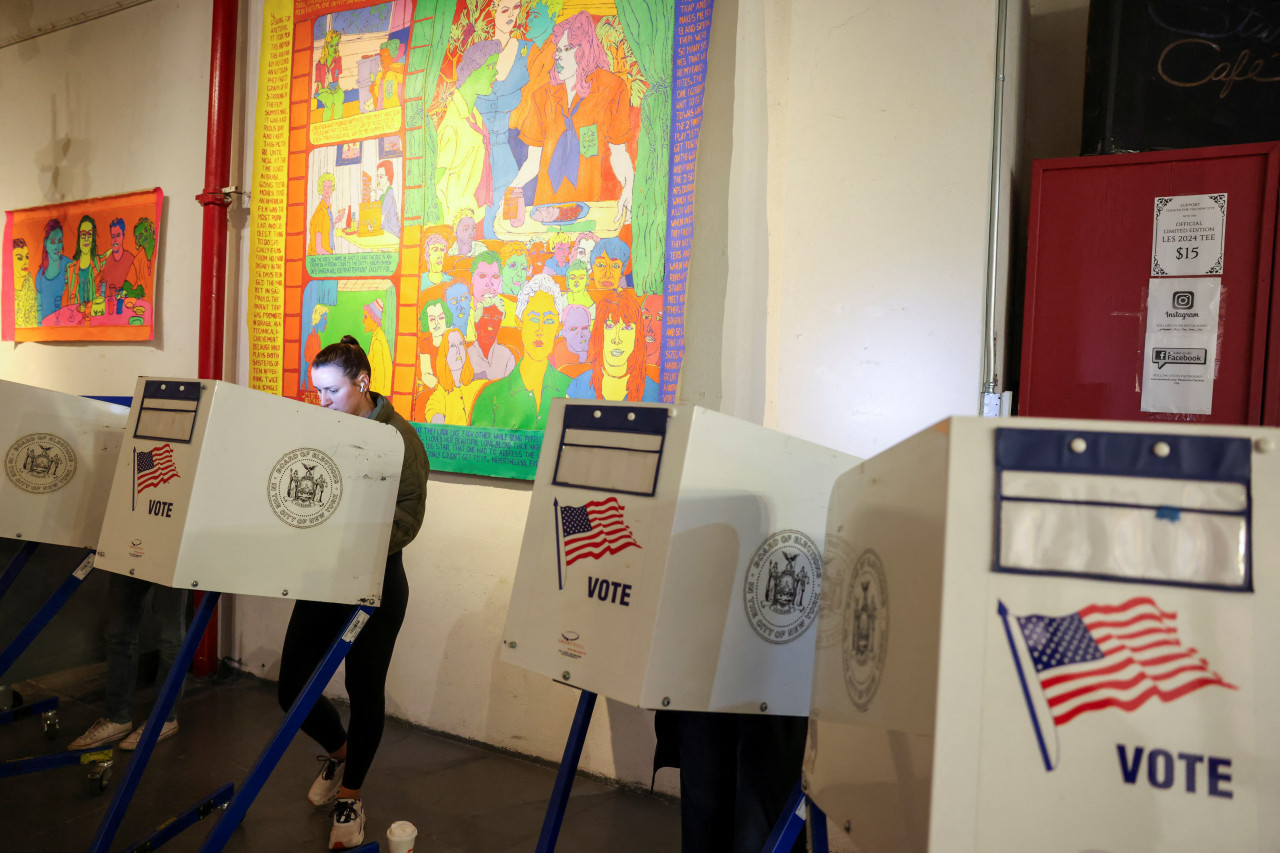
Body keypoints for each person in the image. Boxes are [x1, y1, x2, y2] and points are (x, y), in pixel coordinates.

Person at [281, 336, 429, 850]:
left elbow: (408, 517)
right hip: (324, 576)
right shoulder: (325, 427)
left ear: (362, 383)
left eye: (330, 390)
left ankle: (351, 794)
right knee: (291, 688)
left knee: (365, 689)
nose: (320, 400)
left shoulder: (400, 438)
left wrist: (353, 544)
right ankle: (341, 752)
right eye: (316, 390)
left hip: (377, 580)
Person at [511, 12, 635, 222]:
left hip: (589, 205)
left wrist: (629, 186)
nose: (559, 55)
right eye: (558, 50)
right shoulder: (541, 96)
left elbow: (619, 152)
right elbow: (533, 161)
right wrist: (512, 190)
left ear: (584, 50)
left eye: (567, 49)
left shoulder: (612, 89)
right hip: (546, 208)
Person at [68, 581, 188, 752]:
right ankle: (117, 717)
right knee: (119, 633)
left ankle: (165, 718)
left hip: (170, 556)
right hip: (128, 556)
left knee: (170, 636)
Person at [470, 275, 569, 429]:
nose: (540, 330)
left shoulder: (571, 389)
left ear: (558, 328)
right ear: (519, 323)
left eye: (549, 321)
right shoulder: (491, 398)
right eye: (533, 319)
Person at [435, 45, 500, 227]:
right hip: (451, 221)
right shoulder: (452, 122)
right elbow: (436, 179)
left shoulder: (476, 119)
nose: (495, 72)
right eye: (490, 66)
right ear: (472, 70)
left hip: (471, 216)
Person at [566, 289, 658, 401]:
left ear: (636, 336)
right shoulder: (578, 387)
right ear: (599, 333)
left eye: (626, 328)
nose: (617, 339)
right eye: (610, 327)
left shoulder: (653, 391)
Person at [422, 327, 486, 424]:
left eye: (461, 344)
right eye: (452, 345)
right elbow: (432, 408)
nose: (458, 350)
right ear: (445, 354)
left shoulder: (478, 386)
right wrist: (436, 418)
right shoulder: (441, 394)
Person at [63, 215, 105, 317]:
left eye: (89, 234)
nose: (86, 238)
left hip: (95, 318)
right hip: (75, 321)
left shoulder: (99, 263)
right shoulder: (70, 269)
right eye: (83, 235)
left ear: (93, 238)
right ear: (78, 238)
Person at [466, 295, 516, 380]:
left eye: (496, 319)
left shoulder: (507, 356)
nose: (491, 322)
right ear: (476, 325)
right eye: (486, 317)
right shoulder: (466, 355)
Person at [35, 219, 70, 322]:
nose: (57, 246)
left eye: (59, 241)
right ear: (46, 243)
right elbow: (39, 307)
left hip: (67, 324)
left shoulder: (69, 265)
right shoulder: (40, 275)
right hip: (47, 329)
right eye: (53, 241)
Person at [99, 218, 136, 312]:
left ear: (123, 236)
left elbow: (134, 289)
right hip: (109, 309)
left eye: (118, 236)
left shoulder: (130, 259)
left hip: (125, 308)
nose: (115, 240)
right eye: (112, 236)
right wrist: (100, 289)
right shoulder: (108, 261)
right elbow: (103, 289)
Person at [363, 299, 393, 395]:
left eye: (366, 317)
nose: (363, 320)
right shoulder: (377, 336)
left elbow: (380, 374)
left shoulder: (377, 341)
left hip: (378, 394)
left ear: (374, 318)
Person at [310, 172, 337, 255]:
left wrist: (335, 222)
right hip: (320, 256)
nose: (327, 191)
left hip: (327, 251)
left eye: (329, 187)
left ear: (332, 189)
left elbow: (326, 228)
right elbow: (319, 248)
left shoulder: (328, 208)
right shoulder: (320, 212)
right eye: (324, 188)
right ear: (320, 190)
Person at [13, 238, 37, 328]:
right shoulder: (6, 284)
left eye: (27, 257)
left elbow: (33, 312)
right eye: (20, 258)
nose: (25, 262)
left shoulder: (28, 279)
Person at [374, 160, 401, 238]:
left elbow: (379, 220)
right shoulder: (382, 196)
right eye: (377, 176)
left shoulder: (389, 195)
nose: (378, 179)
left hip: (392, 235)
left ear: (388, 178)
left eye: (381, 176)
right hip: (386, 233)